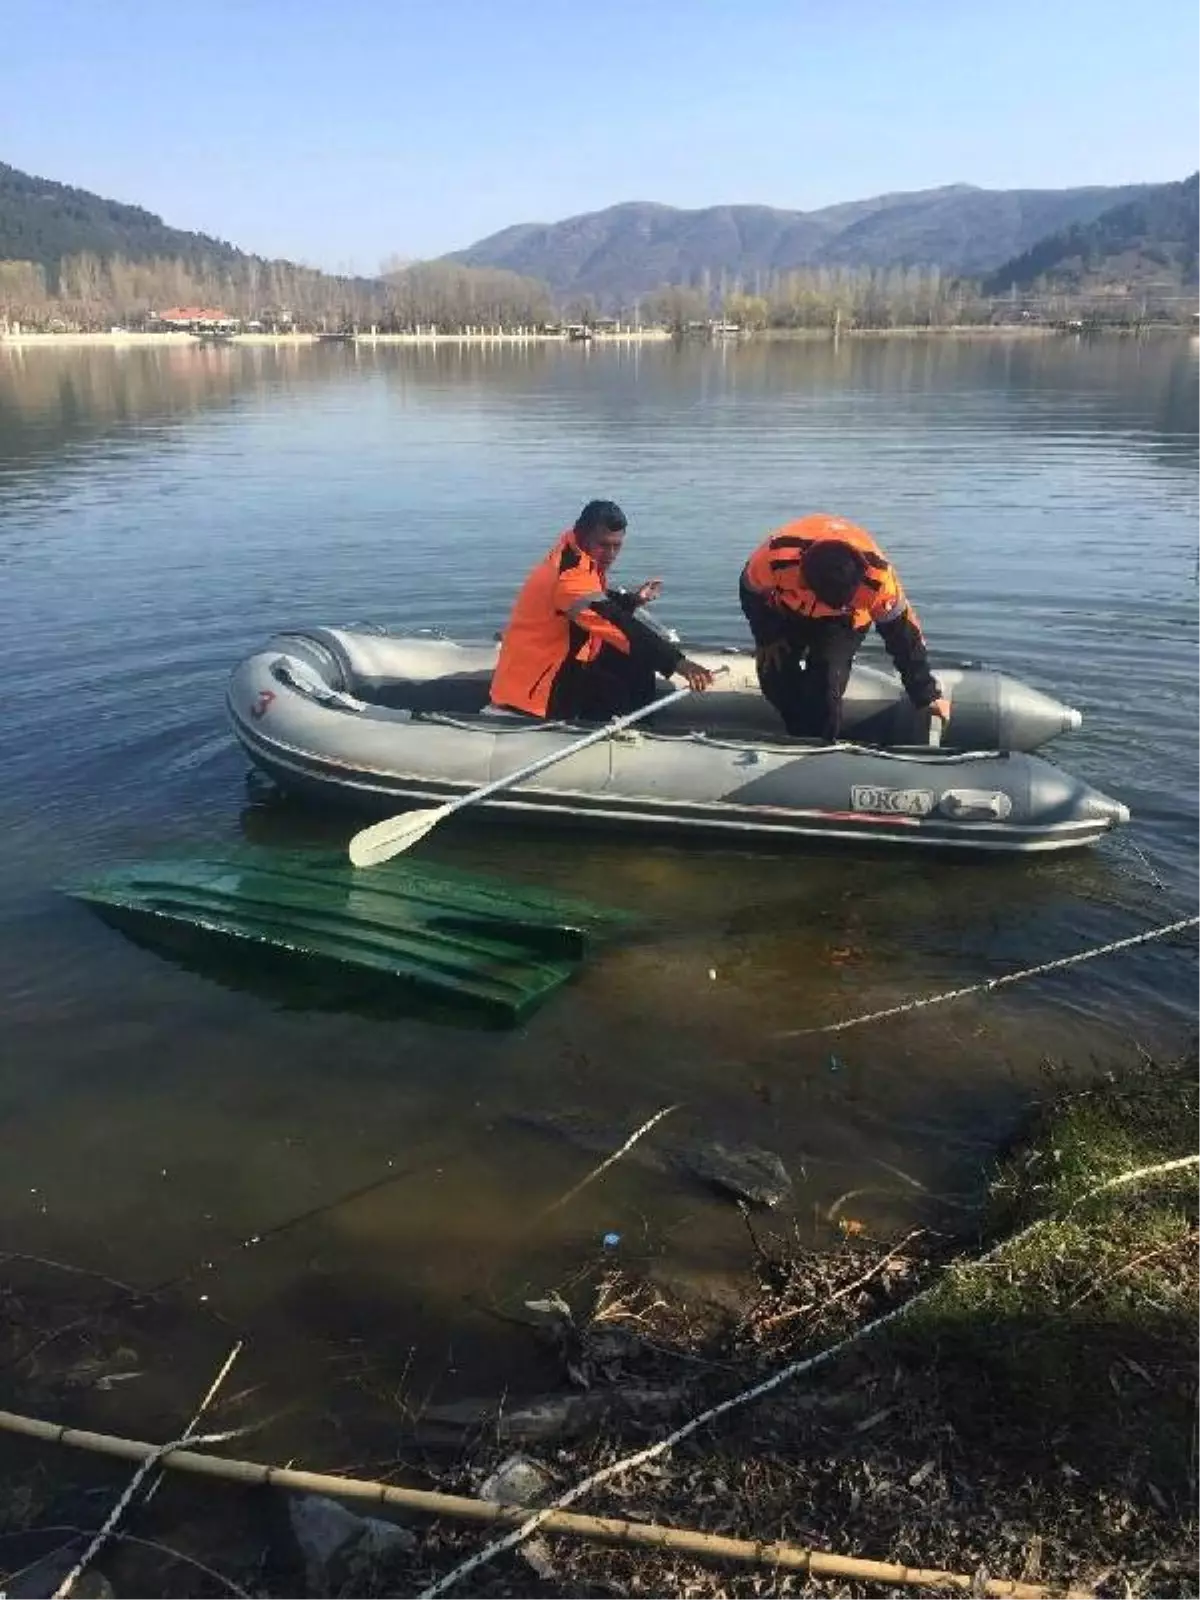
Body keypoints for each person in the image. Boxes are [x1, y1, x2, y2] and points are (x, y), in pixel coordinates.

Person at [490, 500, 714, 721]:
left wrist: (633, 600)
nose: (611, 554)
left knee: (636, 662)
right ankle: (622, 733)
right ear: (583, 535)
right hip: (536, 693)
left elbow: (596, 604)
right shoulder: (569, 575)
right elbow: (614, 623)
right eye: (604, 545)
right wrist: (677, 662)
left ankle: (631, 725)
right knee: (632, 658)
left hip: (552, 663)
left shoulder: (575, 554)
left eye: (617, 545)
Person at [739, 513, 950, 740]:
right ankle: (799, 732)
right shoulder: (776, 557)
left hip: (845, 621)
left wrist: (925, 693)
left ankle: (819, 746)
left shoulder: (878, 581)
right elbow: (750, 590)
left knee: (827, 680)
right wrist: (767, 635)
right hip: (789, 609)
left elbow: (903, 635)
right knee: (774, 674)